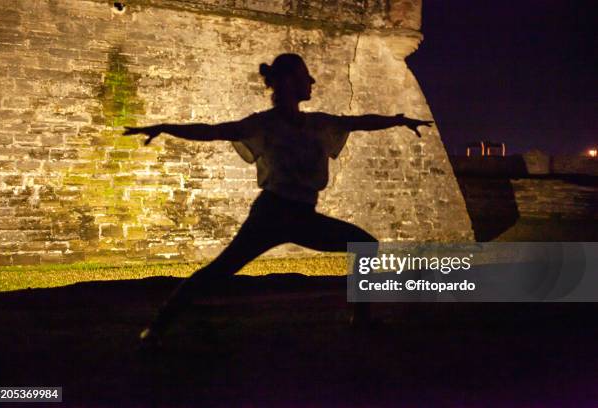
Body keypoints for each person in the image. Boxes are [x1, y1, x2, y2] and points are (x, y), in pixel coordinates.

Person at [123, 53, 432, 348]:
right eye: (304, 77)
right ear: (287, 82)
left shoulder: (316, 123)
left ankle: (361, 319)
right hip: (272, 213)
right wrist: (165, 128)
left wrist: (397, 120)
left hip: (302, 215)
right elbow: (213, 131)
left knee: (364, 244)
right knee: (219, 271)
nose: (312, 82)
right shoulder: (263, 124)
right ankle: (157, 327)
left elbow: (358, 122)